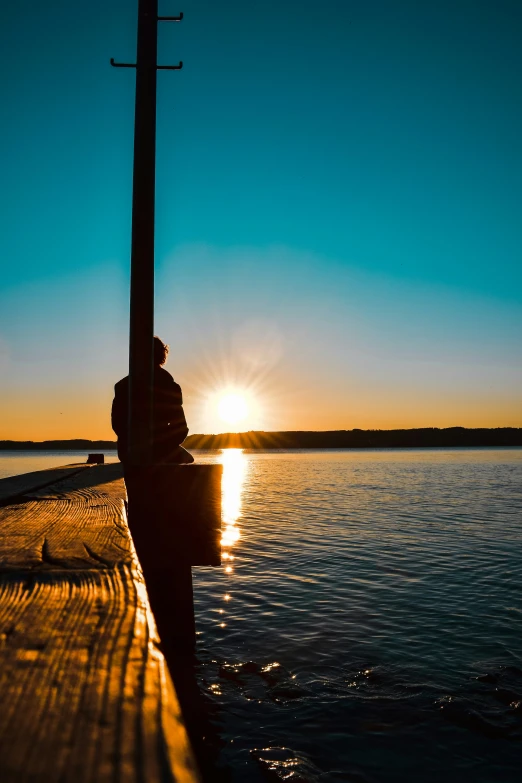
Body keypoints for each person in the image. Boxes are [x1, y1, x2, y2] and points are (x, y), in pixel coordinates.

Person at [111, 336, 194, 465]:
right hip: (160, 450)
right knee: (189, 461)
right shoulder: (171, 387)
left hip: (128, 451)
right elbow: (180, 429)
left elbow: (117, 424)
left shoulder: (122, 386)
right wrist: (163, 445)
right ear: (162, 355)